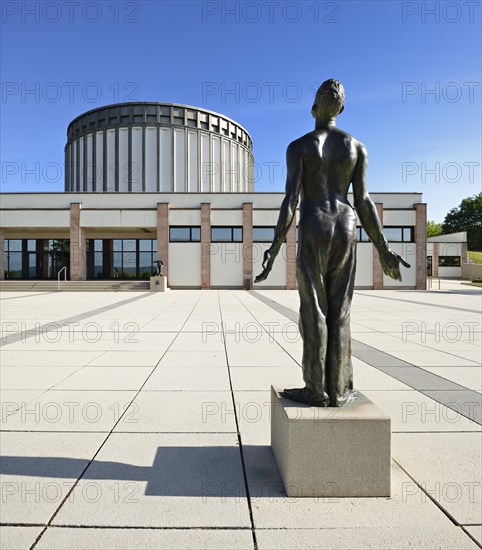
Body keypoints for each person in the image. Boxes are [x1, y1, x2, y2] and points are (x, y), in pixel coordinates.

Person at [255, 79, 410, 407]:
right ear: (341, 109)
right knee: (340, 312)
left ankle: (316, 389)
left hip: (313, 224)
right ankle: (339, 390)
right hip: (346, 225)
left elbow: (290, 200)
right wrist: (384, 248)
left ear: (314, 108)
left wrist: (274, 246)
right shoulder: (356, 147)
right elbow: (364, 202)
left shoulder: (299, 146)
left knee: (314, 311)